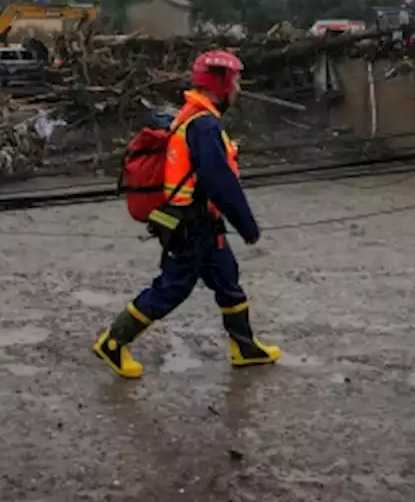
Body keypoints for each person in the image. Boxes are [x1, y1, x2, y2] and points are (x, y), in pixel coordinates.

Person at [94, 49, 281, 378]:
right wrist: (249, 228)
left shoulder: (196, 117)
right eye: (235, 81)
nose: (238, 88)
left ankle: (245, 347)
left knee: (227, 279)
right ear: (219, 83)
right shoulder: (204, 125)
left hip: (203, 222)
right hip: (190, 225)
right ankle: (113, 342)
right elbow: (219, 182)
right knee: (173, 287)